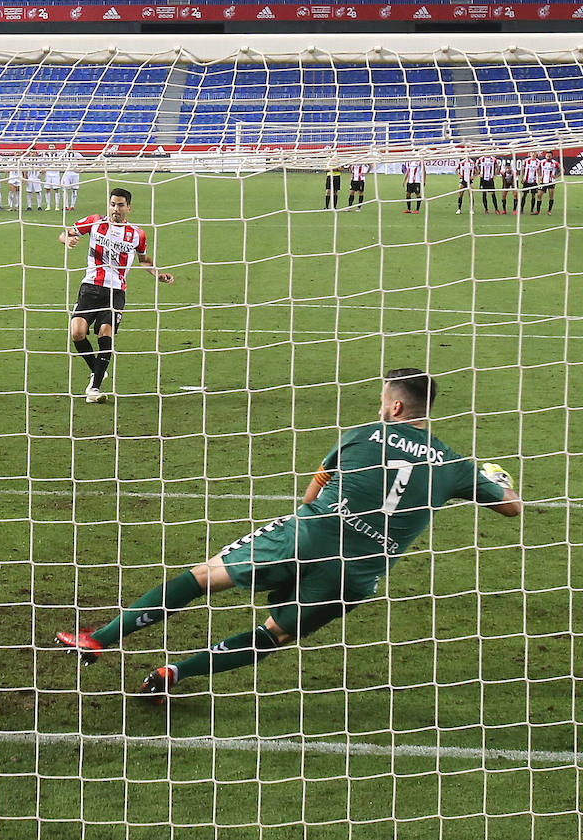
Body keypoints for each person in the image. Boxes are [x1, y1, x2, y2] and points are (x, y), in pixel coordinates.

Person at [54, 368, 523, 700]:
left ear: (396, 406)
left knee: (203, 576)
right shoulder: (457, 466)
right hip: (358, 574)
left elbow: (308, 494)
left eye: (383, 400)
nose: (380, 406)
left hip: (310, 534)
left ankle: (101, 639)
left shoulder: (359, 435)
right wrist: (498, 475)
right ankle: (174, 672)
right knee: (272, 635)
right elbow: (511, 508)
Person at [58, 187, 174, 403]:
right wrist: (68, 240)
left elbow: (144, 260)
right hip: (90, 287)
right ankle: (97, 370)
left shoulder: (137, 234)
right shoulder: (95, 222)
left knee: (105, 334)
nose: (115, 209)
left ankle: (94, 388)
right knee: (77, 333)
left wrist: (158, 274)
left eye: (120, 205)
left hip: (116, 291)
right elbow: (65, 233)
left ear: (128, 208)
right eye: (112, 204)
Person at [538, 151, 559, 215]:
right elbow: (538, 168)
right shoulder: (542, 162)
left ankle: (549, 211)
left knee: (551, 196)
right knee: (539, 195)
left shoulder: (555, 163)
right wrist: (540, 175)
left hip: (551, 182)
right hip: (543, 181)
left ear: (552, 156)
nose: (548, 157)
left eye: (549, 156)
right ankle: (537, 211)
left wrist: (556, 176)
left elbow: (562, 170)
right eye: (547, 156)